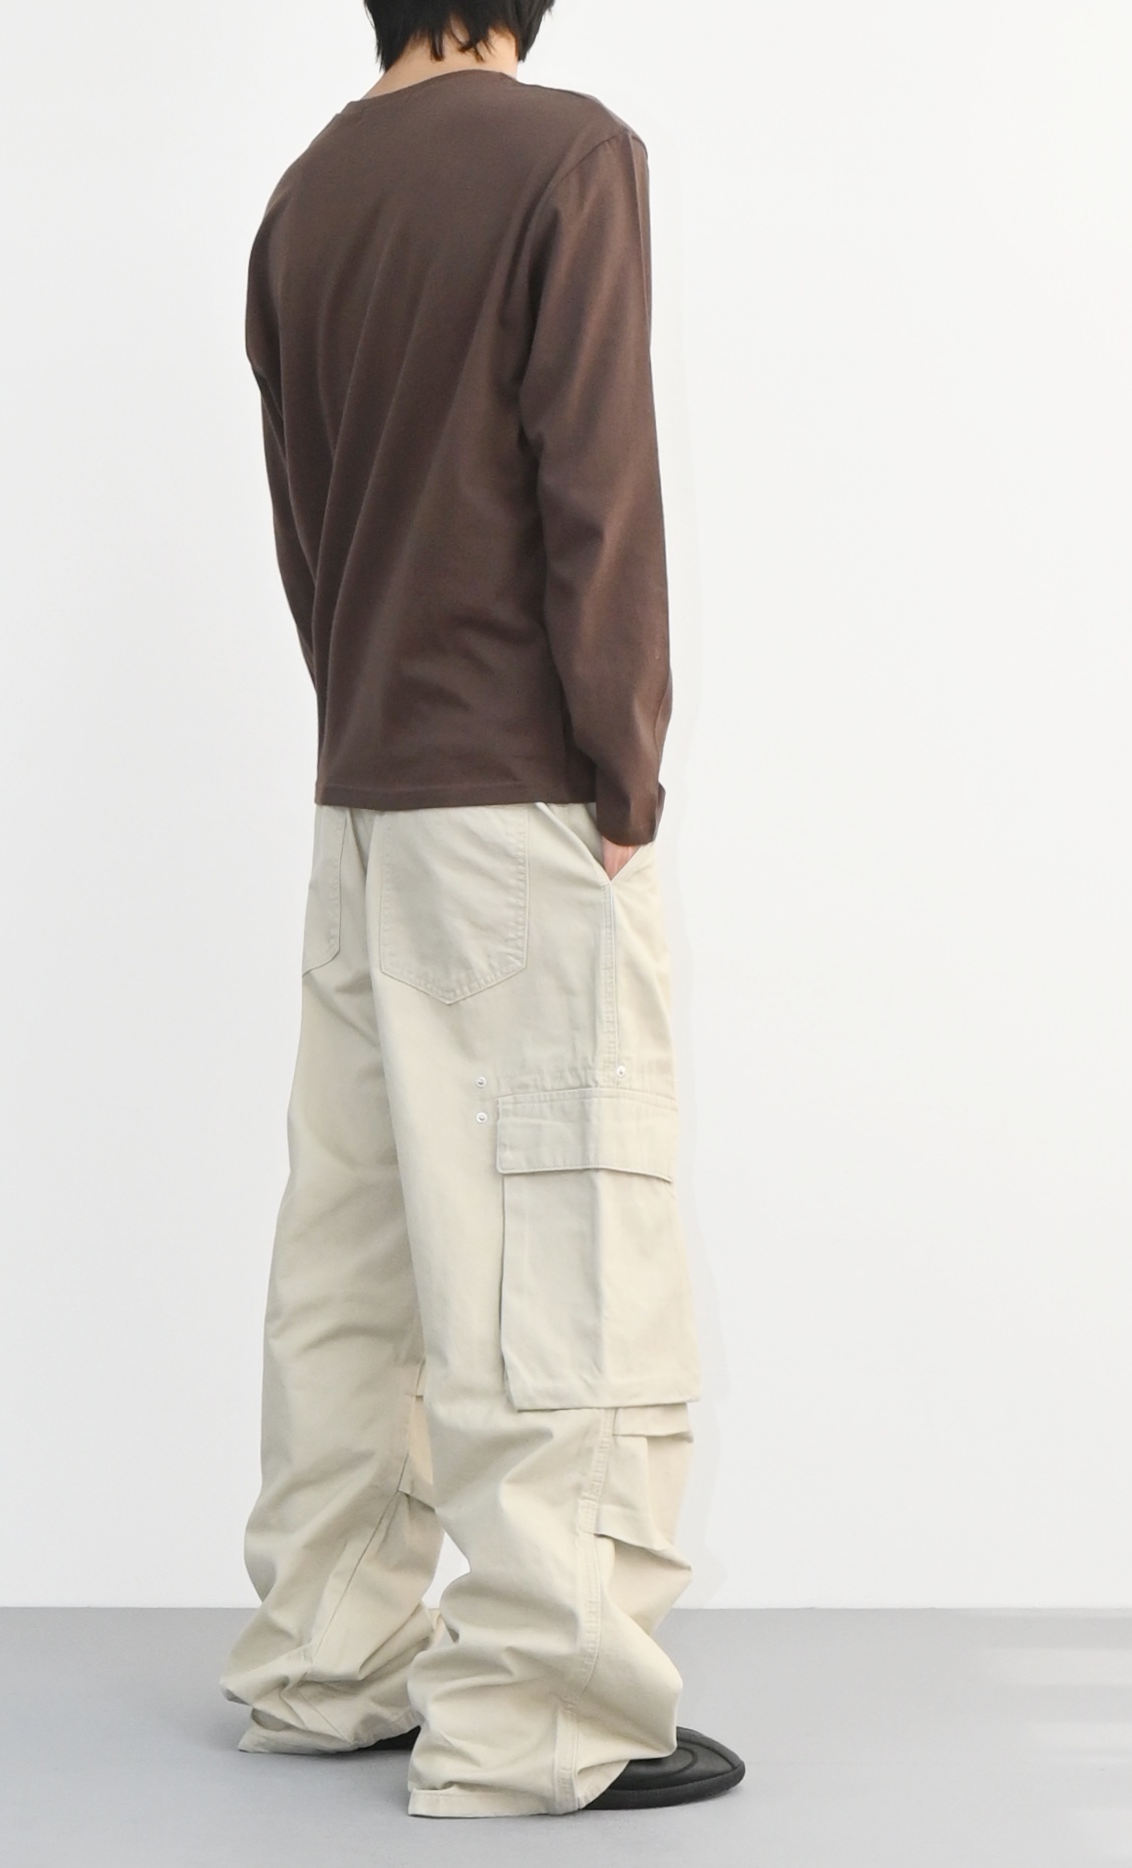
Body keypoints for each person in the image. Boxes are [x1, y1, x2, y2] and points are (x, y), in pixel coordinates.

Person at [219, 0, 744, 1818]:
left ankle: (325, 1661)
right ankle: (540, 1714)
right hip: (516, 800)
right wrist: (626, 774)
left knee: (354, 1260)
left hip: (363, 796)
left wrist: (365, 722)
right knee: (560, 1252)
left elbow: (307, 528)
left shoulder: (305, 197)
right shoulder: (564, 154)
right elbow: (597, 480)